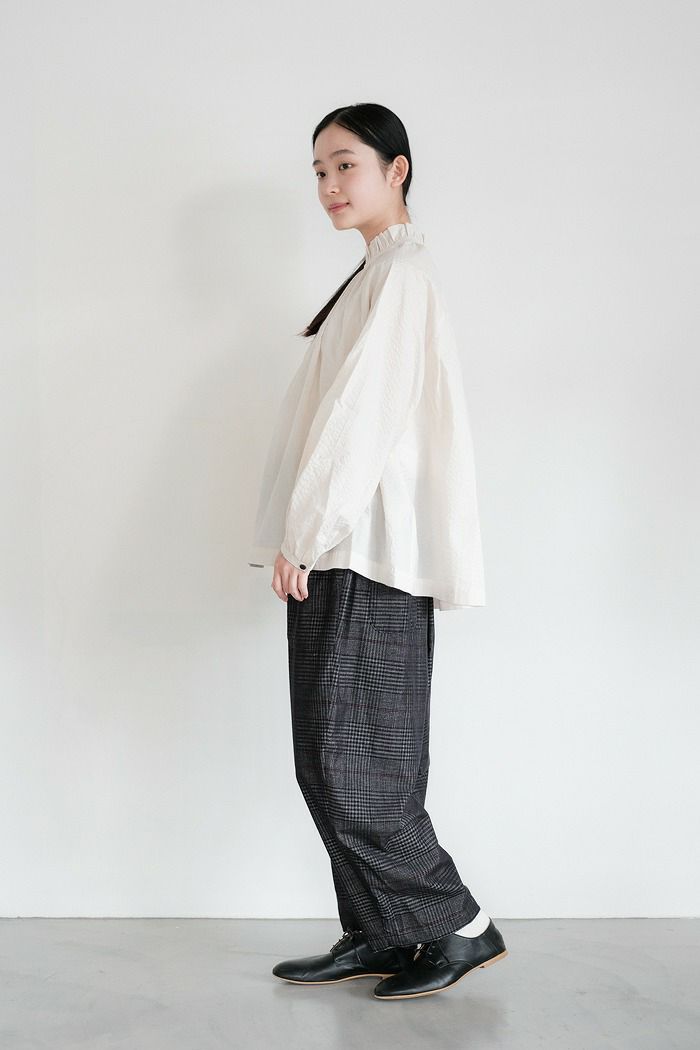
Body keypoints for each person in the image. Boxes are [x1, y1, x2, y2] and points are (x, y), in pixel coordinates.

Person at [247, 103, 508, 1000]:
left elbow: (361, 423)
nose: (328, 185)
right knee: (329, 759)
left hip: (365, 552)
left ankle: (457, 925)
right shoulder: (373, 275)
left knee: (356, 764)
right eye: (318, 170)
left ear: (397, 169)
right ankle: (382, 931)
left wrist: (305, 533)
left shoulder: (401, 277)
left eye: (345, 164)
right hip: (344, 550)